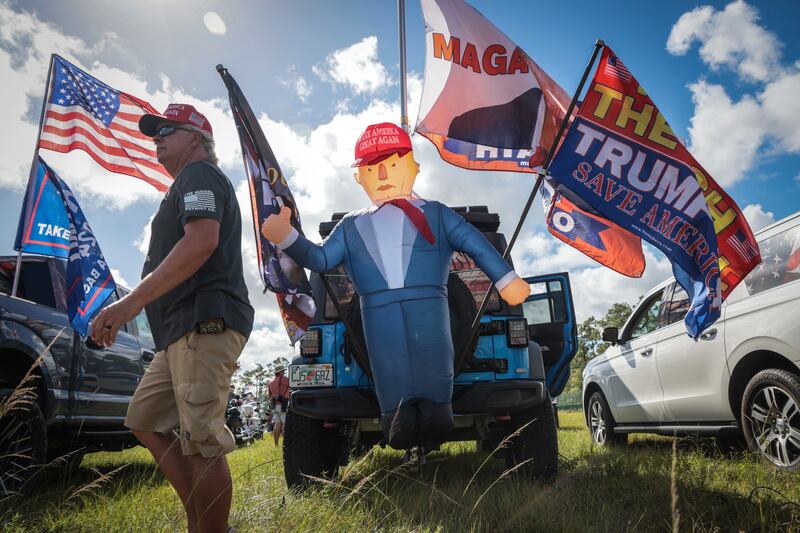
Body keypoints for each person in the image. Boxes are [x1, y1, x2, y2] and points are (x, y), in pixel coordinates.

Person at [261, 122, 530, 451]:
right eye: (374, 168)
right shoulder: (351, 226)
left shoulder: (436, 214)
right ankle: (396, 417)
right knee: (389, 367)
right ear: (360, 178)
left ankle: (435, 414)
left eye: (392, 164)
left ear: (413, 167)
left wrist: (506, 280)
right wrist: (286, 236)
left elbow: (475, 244)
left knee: (435, 359)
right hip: (377, 313)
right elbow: (319, 259)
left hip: (429, 306)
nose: (384, 175)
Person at [90, 103, 254, 533]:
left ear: (197, 139)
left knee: (201, 441)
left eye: (168, 130)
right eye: (155, 131)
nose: (157, 137)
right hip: (178, 331)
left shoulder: (199, 174)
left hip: (204, 321)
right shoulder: (182, 184)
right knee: (144, 418)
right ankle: (201, 524)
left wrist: (129, 305)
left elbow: (202, 240)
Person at [267, 365, 290, 446]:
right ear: (280, 372)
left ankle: (276, 444)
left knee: (277, 423)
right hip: (283, 403)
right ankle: (285, 444)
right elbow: (290, 389)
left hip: (274, 404)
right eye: (283, 371)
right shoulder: (285, 379)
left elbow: (269, 395)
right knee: (284, 423)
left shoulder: (271, 382)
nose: (284, 372)